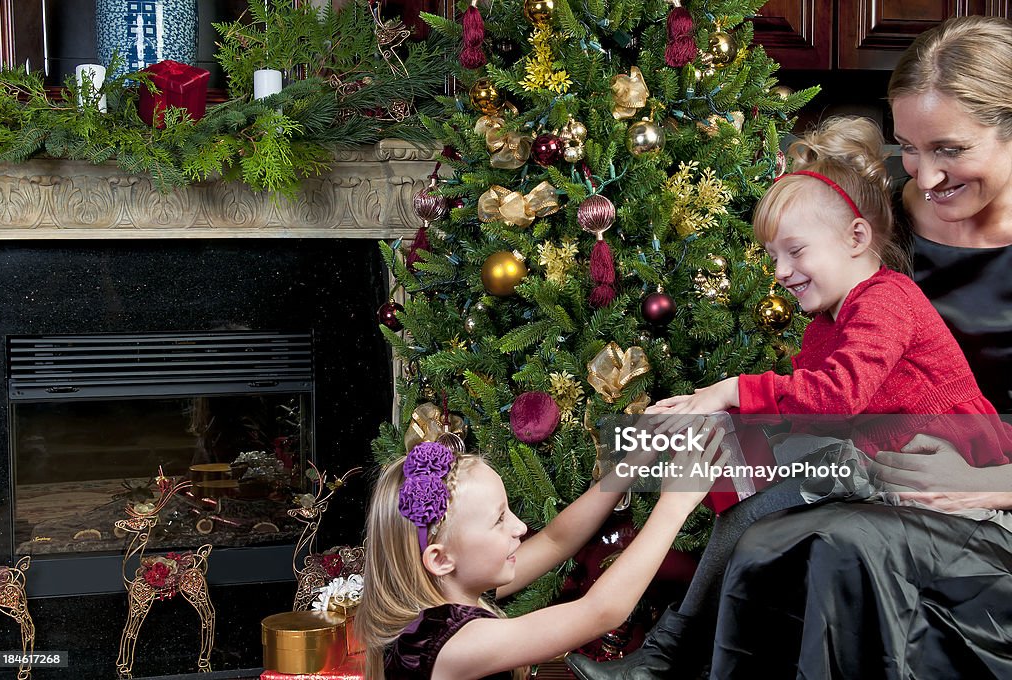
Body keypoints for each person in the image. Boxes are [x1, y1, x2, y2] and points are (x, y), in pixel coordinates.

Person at [566, 115, 1012, 680]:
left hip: (954, 473)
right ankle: (665, 655)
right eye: (773, 256)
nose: (780, 271)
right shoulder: (827, 321)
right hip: (881, 462)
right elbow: (802, 416)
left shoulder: (886, 300)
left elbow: (834, 399)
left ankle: (667, 656)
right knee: (750, 509)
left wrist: (730, 393)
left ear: (856, 238)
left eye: (795, 251)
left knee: (783, 476)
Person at [706, 15, 1012, 678]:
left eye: (950, 150)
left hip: (990, 504)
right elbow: (836, 379)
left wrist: (997, 480)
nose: (925, 177)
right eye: (909, 147)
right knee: (766, 534)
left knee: (843, 546)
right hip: (888, 477)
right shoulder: (871, 221)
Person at [355, 421, 724, 680]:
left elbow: (555, 540)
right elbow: (602, 612)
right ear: (440, 559)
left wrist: (631, 465)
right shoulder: (450, 643)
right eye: (499, 520)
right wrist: (676, 504)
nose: (518, 528)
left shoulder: (449, 593)